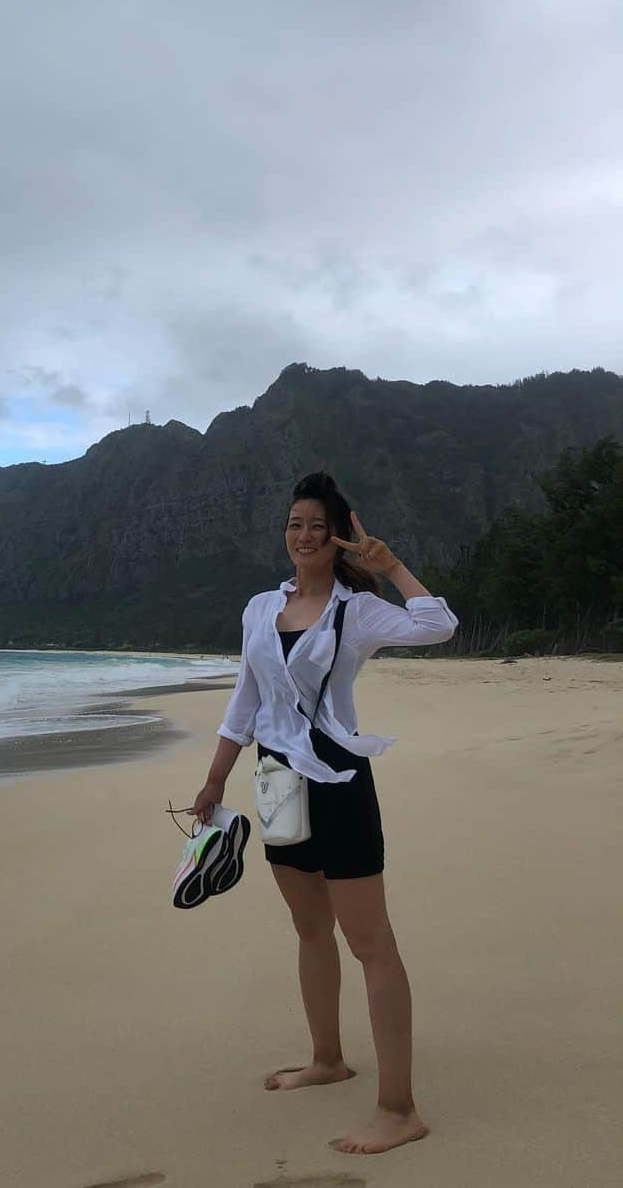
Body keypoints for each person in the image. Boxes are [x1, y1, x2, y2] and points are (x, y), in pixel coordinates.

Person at [191, 471, 457, 1156]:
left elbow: (438, 625)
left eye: (316, 526)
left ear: (337, 538)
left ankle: (399, 1109)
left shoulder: (356, 611)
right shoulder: (260, 609)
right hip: (277, 783)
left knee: (371, 945)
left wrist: (389, 565)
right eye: (294, 524)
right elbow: (243, 704)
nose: (303, 536)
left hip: (339, 783)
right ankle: (328, 1059)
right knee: (310, 931)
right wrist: (214, 779)